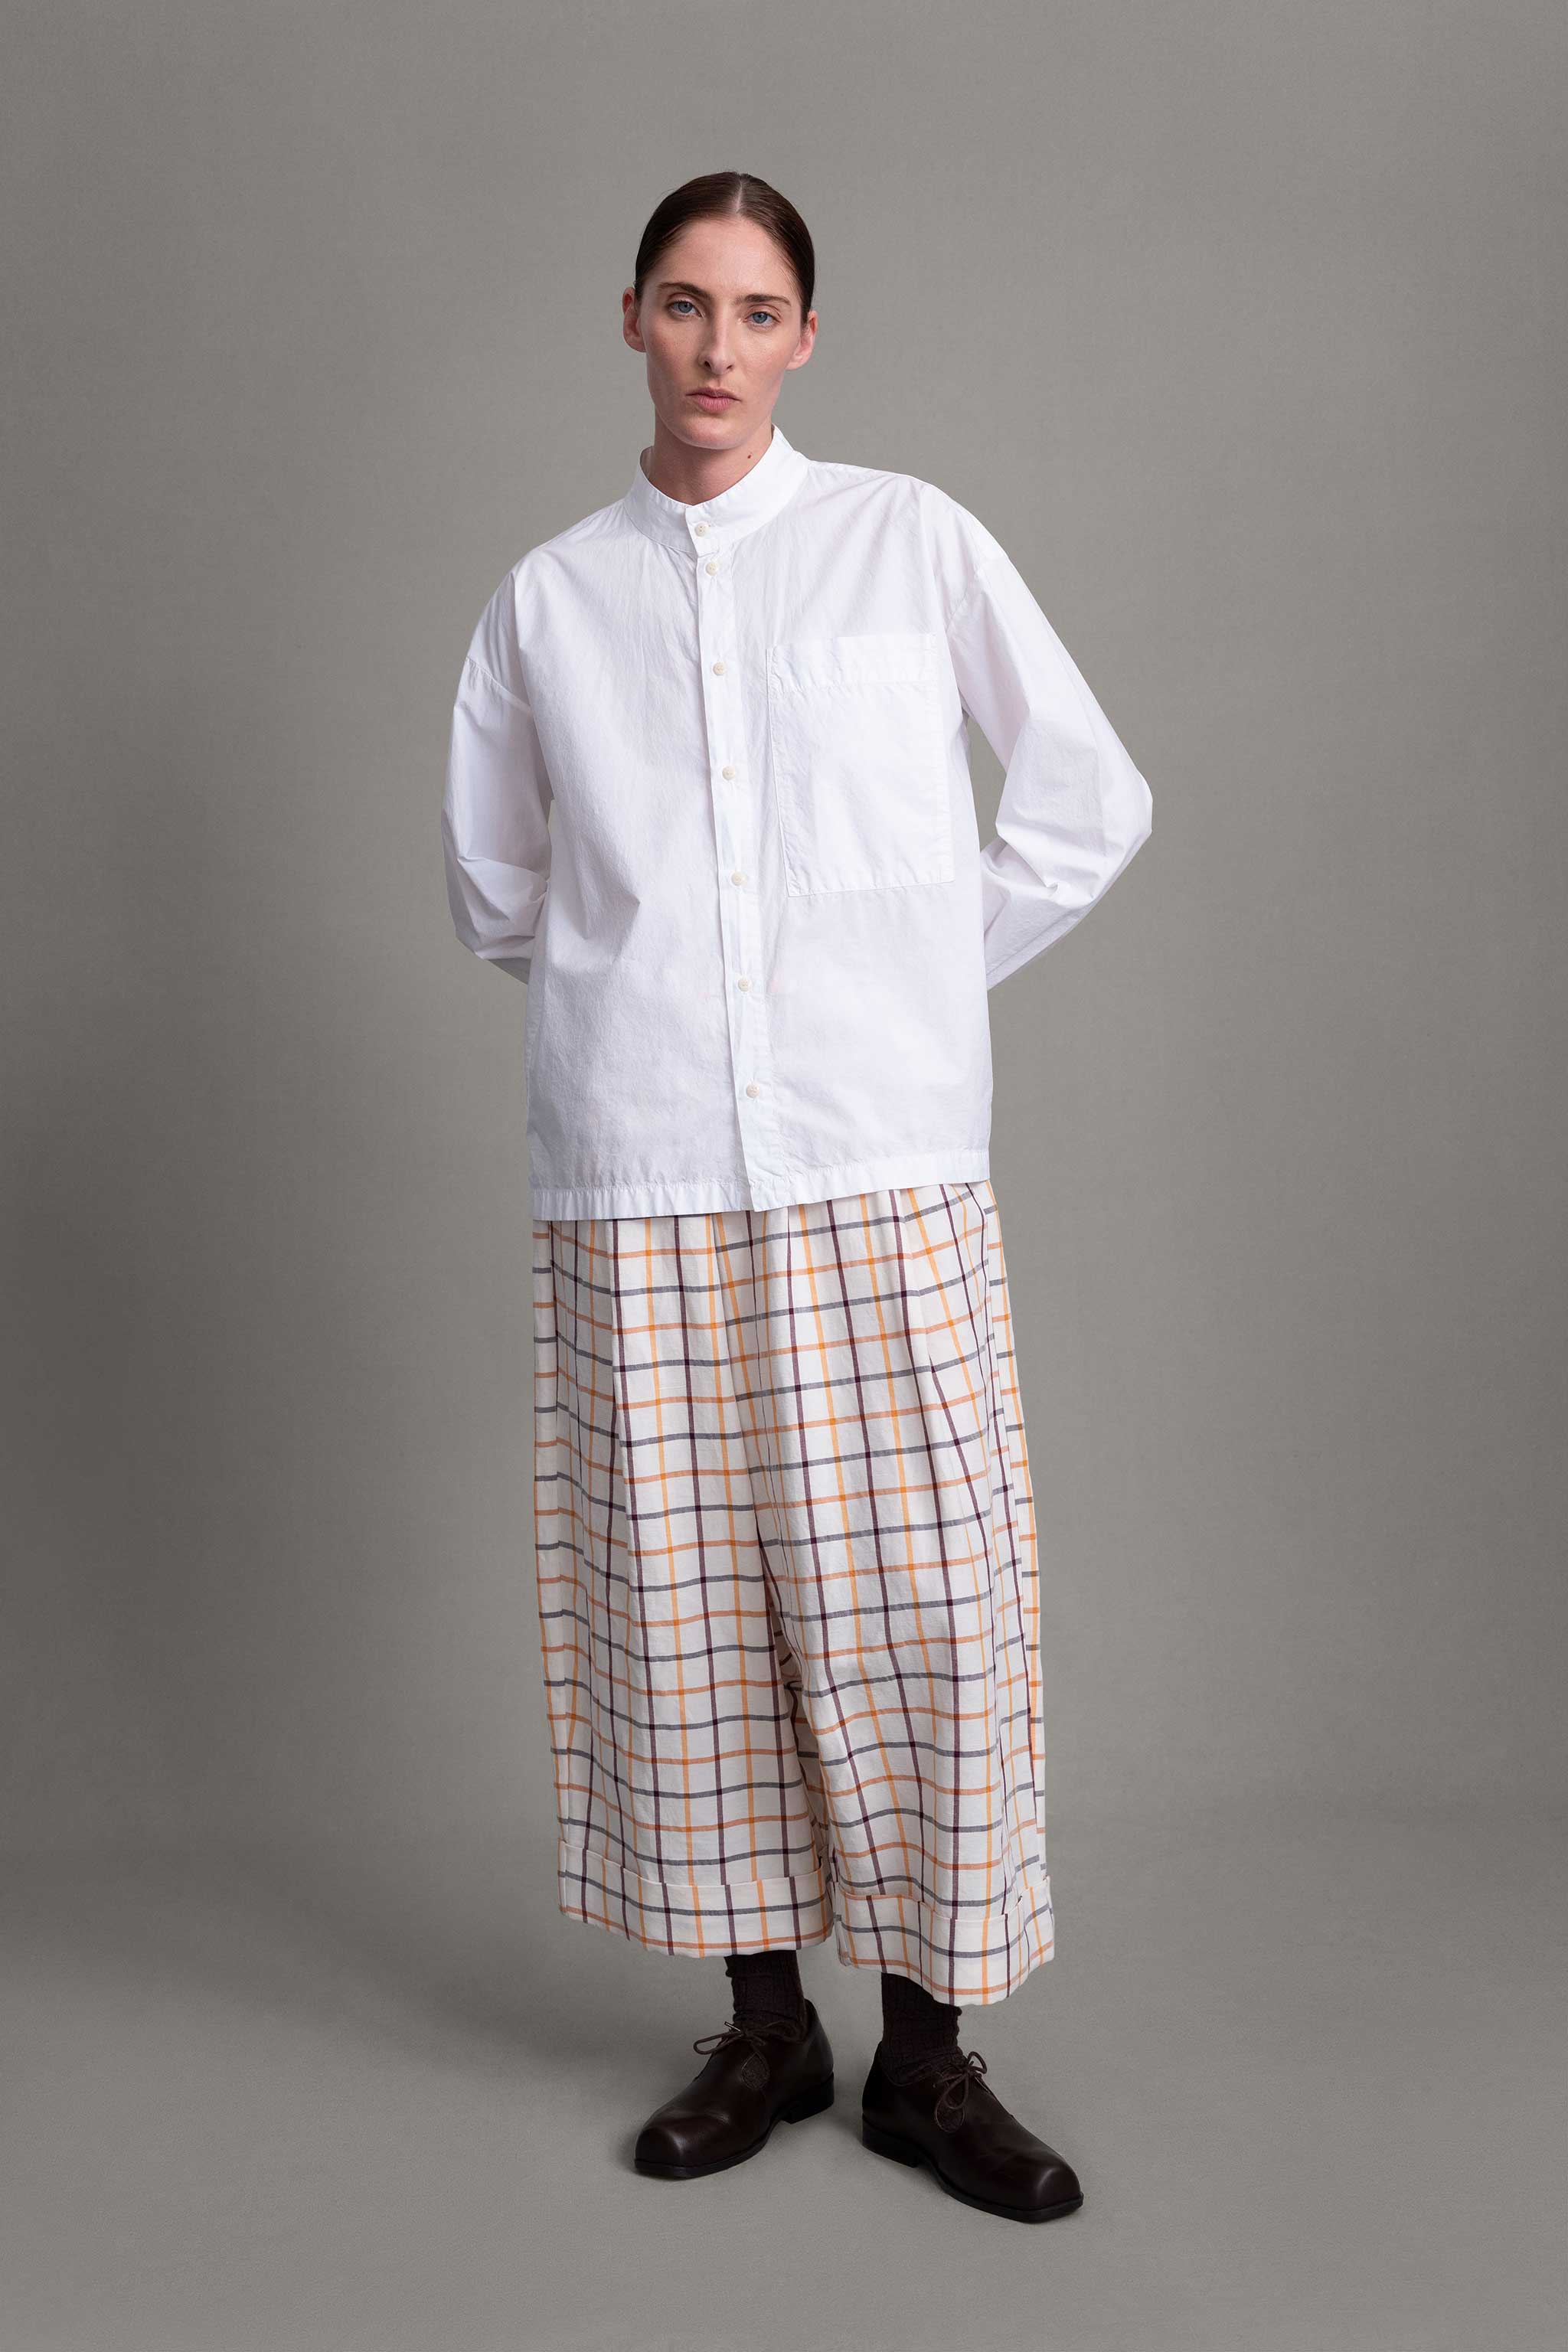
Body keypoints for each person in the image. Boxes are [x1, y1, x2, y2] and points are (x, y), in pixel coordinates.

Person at [440, 168, 1152, 2224]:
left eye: (759, 311)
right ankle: (766, 2028)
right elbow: (498, 890)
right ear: (632, 320)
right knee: (688, 1608)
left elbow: (1088, 800)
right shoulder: (547, 600)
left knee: (932, 1602)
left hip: (878, 1155)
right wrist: (657, 1001)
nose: (719, 346)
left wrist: (909, 975)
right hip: (641, 1168)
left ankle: (928, 2060)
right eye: (686, 303)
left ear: (807, 339)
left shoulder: (907, 542)